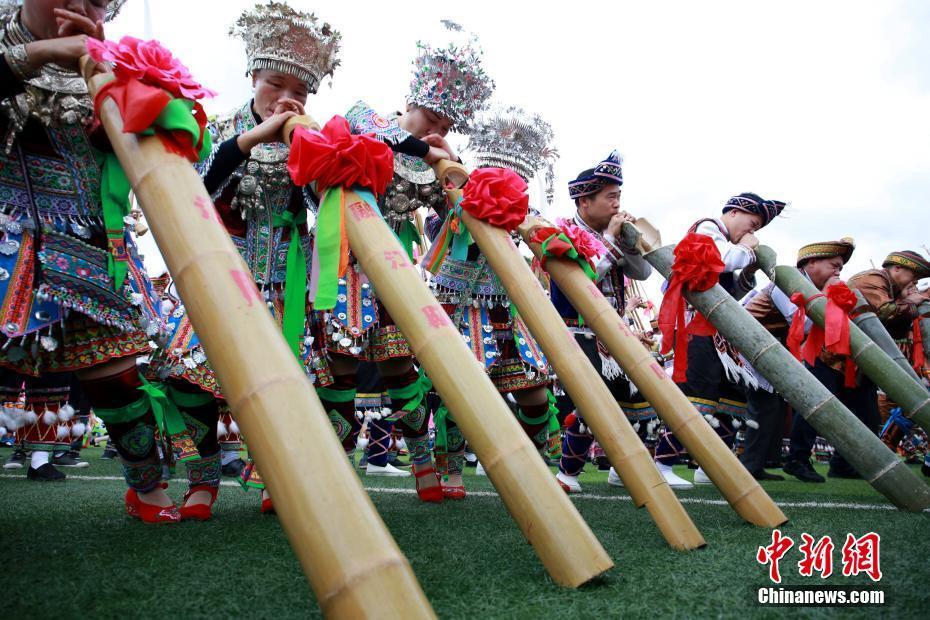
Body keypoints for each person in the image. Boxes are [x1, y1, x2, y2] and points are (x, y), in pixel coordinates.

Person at [146, 1, 339, 515]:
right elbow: (196, 183)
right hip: (219, 274)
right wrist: (252, 139)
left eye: (300, 92)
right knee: (187, 376)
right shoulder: (217, 127)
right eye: (277, 84)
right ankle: (203, 477)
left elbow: (329, 207)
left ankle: (279, 475)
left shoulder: (312, 138)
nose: (288, 99)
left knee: (286, 384)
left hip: (284, 280)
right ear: (253, 76)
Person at [314, 22, 494, 502]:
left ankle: (423, 468)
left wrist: (456, 168)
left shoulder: (431, 163)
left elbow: (463, 215)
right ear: (410, 104)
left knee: (399, 370)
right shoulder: (364, 117)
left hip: (393, 271)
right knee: (338, 367)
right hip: (341, 262)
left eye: (447, 126)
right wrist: (427, 148)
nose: (437, 130)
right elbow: (369, 133)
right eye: (432, 116)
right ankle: (330, 470)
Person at [425, 104, 557, 499]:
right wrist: (449, 161)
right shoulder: (455, 193)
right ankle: (450, 471)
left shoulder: (529, 213)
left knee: (535, 393)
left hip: (504, 309)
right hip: (457, 302)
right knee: (460, 392)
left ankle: (530, 465)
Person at [655, 193, 785, 488]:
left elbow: (726, 293)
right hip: (695, 329)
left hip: (717, 333)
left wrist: (747, 273)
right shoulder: (707, 228)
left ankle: (710, 466)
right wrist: (748, 252)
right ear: (735, 211)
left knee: (732, 396)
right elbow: (721, 260)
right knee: (696, 396)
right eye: (751, 225)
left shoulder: (727, 241)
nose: (751, 234)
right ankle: (662, 463)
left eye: (755, 230)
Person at [546, 151, 654, 494]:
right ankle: (567, 474)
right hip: (578, 330)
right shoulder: (559, 232)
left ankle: (620, 470)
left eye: (619, 196)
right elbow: (584, 277)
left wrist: (630, 245)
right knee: (592, 401)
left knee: (635, 400)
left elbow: (643, 272)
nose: (617, 203)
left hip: (614, 329)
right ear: (584, 201)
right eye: (610, 197)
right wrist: (609, 238)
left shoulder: (615, 231)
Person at [744, 238, 855, 482]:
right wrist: (825, 296)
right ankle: (748, 466)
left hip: (770, 349)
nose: (838, 271)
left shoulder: (805, 287)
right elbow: (801, 325)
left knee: (772, 408)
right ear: (812, 262)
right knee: (763, 406)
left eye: (841, 268)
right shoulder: (787, 282)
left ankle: (757, 464)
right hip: (748, 347)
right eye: (834, 265)